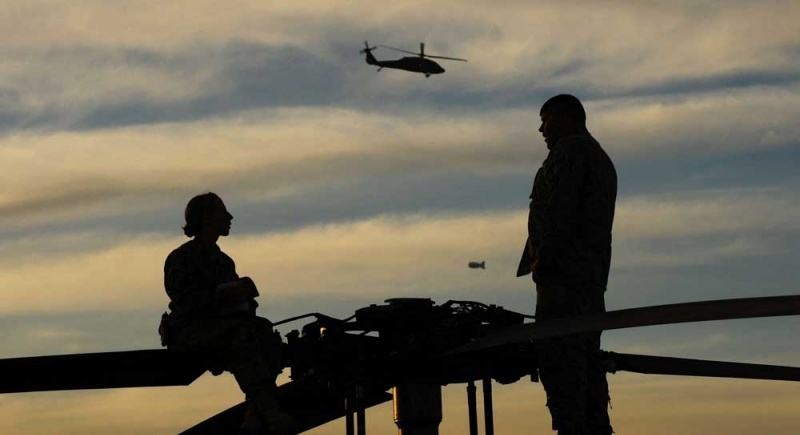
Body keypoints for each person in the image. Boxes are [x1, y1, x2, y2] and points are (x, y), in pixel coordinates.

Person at [517, 94, 616, 435]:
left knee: (562, 361)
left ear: (565, 119)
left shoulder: (570, 152)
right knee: (587, 362)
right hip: (588, 280)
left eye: (545, 120)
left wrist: (545, 261)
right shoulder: (598, 157)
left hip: (564, 281)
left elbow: (560, 211)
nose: (541, 129)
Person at [160, 192, 293, 435]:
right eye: (223, 212)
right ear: (207, 218)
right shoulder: (182, 257)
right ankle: (267, 411)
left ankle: (255, 411)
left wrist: (244, 298)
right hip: (190, 332)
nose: (230, 217)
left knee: (265, 332)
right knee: (243, 336)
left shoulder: (223, 260)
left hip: (222, 327)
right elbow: (186, 301)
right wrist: (225, 295)